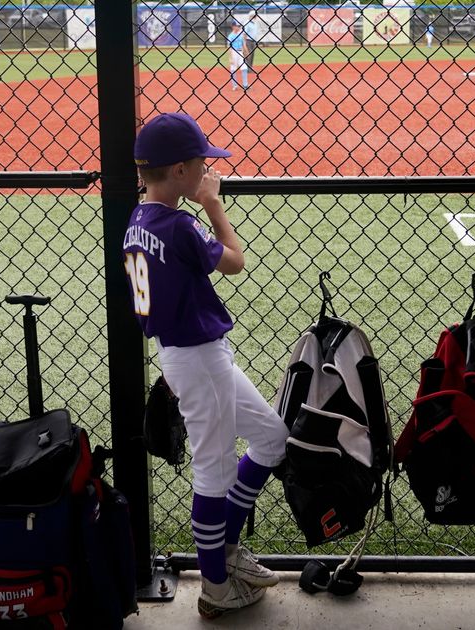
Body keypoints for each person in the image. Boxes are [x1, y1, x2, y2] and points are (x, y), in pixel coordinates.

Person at [124, 112, 287, 618]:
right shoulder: (179, 223)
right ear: (177, 172)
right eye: (200, 166)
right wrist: (214, 205)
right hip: (197, 358)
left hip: (187, 355)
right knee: (213, 472)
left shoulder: (138, 217)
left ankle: (227, 550)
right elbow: (236, 260)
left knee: (270, 437)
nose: (206, 172)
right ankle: (215, 585)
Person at [227, 21, 248, 91]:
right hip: (233, 52)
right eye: (237, 26)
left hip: (240, 52)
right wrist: (230, 58)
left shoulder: (241, 35)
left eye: (239, 26)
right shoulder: (230, 36)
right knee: (233, 69)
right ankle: (234, 85)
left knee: (244, 67)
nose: (238, 27)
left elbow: (244, 44)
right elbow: (229, 47)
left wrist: (246, 52)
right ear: (233, 27)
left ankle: (245, 85)